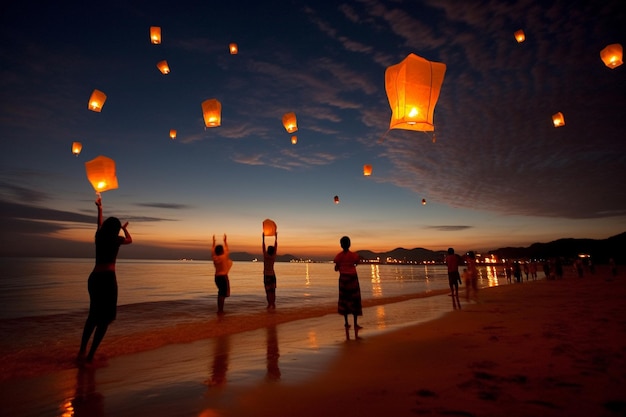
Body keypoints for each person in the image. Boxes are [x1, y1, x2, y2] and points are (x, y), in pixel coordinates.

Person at [78, 196, 132, 364]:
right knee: (105, 319)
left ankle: (81, 352)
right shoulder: (117, 239)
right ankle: (90, 356)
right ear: (116, 229)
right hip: (108, 280)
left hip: (94, 278)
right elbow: (130, 240)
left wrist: (100, 209)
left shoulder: (99, 236)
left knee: (93, 316)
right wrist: (124, 229)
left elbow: (99, 225)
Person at [333, 236, 362, 330]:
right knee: (354, 300)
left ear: (341, 245)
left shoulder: (338, 256)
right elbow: (357, 263)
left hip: (343, 279)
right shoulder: (354, 255)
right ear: (349, 244)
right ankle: (355, 324)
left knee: (344, 300)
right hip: (353, 278)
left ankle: (346, 323)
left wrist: (341, 267)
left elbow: (336, 268)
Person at [212, 234, 232, 314]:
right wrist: (225, 241)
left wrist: (213, 242)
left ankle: (220, 309)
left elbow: (213, 251)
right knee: (222, 294)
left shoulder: (214, 257)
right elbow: (227, 249)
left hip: (217, 277)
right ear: (221, 251)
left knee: (220, 293)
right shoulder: (224, 257)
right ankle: (220, 310)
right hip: (223, 277)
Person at [262, 232, 278, 309]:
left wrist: (263, 238)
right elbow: (276, 247)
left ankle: (269, 304)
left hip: (266, 275)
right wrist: (276, 238)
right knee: (273, 290)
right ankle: (273, 304)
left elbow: (263, 247)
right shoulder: (273, 257)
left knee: (268, 291)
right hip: (272, 275)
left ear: (268, 250)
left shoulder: (265, 256)